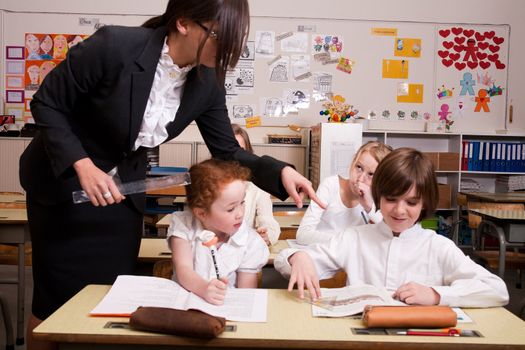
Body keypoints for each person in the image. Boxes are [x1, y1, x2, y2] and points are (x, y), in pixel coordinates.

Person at [19, 1, 322, 349]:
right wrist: (82, 164)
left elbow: (228, 151)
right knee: (54, 303)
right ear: (183, 23)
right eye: (220, 37)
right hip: (64, 188)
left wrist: (280, 171)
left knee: (113, 299)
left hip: (120, 198)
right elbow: (47, 102)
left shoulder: (207, 82)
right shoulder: (114, 46)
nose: (228, 52)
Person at [275, 148, 509, 308]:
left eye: (411, 202)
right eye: (391, 199)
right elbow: (282, 260)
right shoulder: (355, 238)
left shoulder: (437, 246)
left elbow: (496, 289)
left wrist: (437, 295)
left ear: (425, 202)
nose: (399, 210)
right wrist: (299, 257)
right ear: (378, 196)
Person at [168, 159, 269, 305]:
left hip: (226, 309)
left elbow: (246, 295)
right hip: (186, 308)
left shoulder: (250, 241)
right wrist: (204, 289)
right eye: (230, 209)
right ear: (201, 213)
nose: (240, 213)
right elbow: (184, 270)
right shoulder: (184, 226)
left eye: (242, 203)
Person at [296, 141, 392, 245]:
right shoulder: (330, 185)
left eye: (371, 174)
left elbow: (390, 233)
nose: (360, 178)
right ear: (353, 163)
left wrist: (369, 207)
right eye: (359, 167)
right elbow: (303, 235)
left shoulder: (375, 198)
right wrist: (347, 241)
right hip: (322, 254)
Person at [232, 123, 280, 245]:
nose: (233, 156)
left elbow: (268, 220)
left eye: (240, 151)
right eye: (229, 150)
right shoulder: (207, 183)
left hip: (244, 251)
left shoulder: (257, 185)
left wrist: (267, 235)